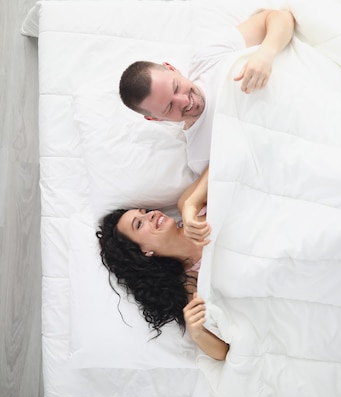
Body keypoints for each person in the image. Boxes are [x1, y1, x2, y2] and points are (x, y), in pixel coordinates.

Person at [119, 9, 296, 176]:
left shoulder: (208, 57)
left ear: (172, 68)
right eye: (169, 107)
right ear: (155, 119)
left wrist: (266, 53)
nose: (184, 101)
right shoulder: (199, 157)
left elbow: (281, 17)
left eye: (176, 87)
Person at [96, 168, 224, 360]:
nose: (151, 215)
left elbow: (222, 161)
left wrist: (191, 203)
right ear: (145, 252)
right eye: (139, 224)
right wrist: (197, 333)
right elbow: (222, 352)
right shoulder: (192, 284)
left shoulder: (189, 206)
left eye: (145, 212)